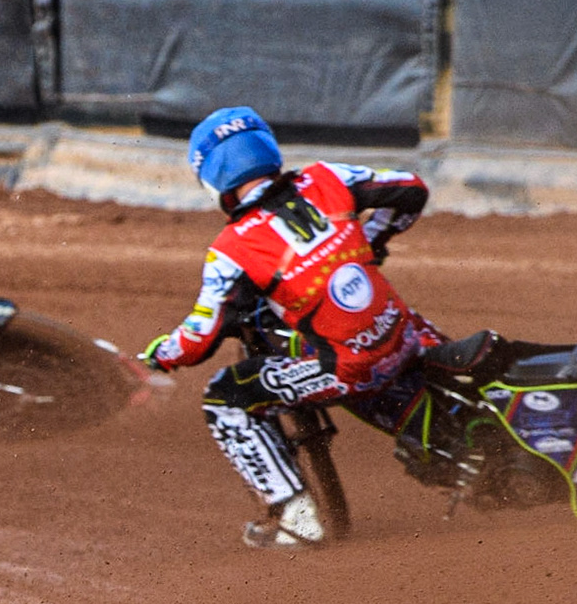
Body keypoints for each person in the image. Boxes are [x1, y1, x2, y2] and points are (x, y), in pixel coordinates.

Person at [139, 107, 439, 549]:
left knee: (227, 397)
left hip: (349, 369)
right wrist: (370, 241)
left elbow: (200, 337)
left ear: (212, 177)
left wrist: (164, 353)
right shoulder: (326, 178)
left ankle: (295, 516)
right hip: (406, 333)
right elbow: (411, 189)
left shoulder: (231, 249)